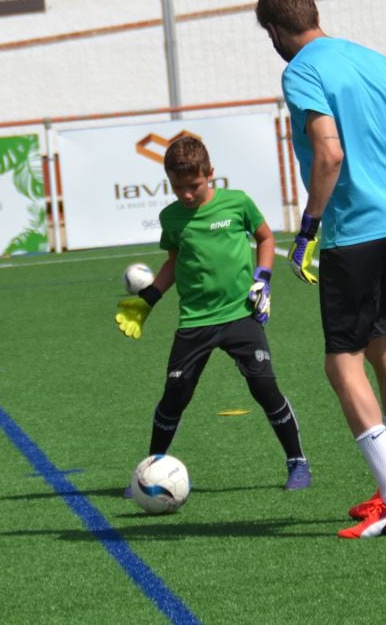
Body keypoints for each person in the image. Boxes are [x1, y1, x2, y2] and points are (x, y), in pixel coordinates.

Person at [256, 0, 386, 539]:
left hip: (354, 233)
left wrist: (309, 228)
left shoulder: (301, 71)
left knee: (341, 363)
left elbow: (329, 152)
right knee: (384, 346)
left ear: (275, 31)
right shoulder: (377, 60)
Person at [115, 136, 310, 493]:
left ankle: (297, 462)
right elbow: (175, 262)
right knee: (175, 396)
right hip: (195, 320)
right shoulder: (170, 217)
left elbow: (266, 239)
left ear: (211, 175)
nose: (186, 194)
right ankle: (149, 470)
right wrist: (149, 300)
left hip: (240, 314)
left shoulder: (237, 203)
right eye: (178, 187)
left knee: (265, 388)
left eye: (194, 185)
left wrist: (263, 279)